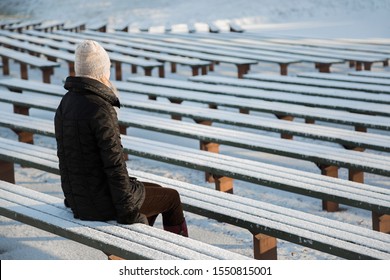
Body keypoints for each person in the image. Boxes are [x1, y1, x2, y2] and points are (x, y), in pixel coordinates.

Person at [54, 40, 188, 242]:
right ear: (101, 72)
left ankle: (146, 245)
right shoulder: (100, 108)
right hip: (101, 204)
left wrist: (73, 199)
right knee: (172, 198)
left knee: (158, 191)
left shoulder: (67, 102)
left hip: (81, 198)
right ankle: (180, 253)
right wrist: (129, 213)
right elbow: (114, 164)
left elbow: (65, 158)